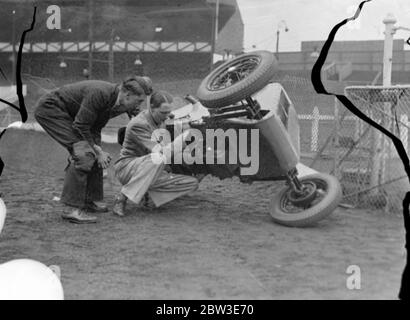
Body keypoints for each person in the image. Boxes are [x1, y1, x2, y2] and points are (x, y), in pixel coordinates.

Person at [34, 76, 153, 224]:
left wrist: (98, 151)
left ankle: (89, 200)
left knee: (96, 155)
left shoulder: (120, 99)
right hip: (52, 110)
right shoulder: (100, 94)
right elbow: (80, 125)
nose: (138, 106)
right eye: (139, 101)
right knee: (83, 153)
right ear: (128, 95)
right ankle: (71, 209)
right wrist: (97, 151)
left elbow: (95, 126)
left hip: (79, 118)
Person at [113, 91, 199, 216]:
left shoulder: (160, 120)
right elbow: (160, 152)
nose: (167, 116)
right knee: (158, 158)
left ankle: (149, 197)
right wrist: (183, 139)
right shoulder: (139, 124)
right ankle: (121, 198)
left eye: (169, 112)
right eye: (163, 112)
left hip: (150, 169)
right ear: (151, 108)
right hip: (128, 168)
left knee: (191, 183)